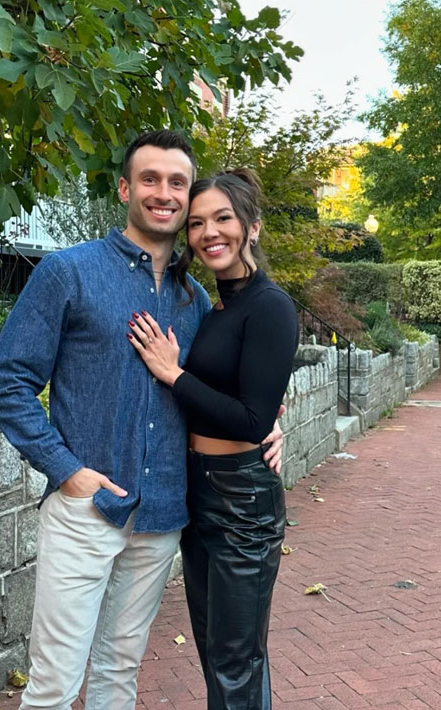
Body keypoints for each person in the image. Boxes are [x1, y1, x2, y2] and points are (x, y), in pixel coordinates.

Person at [0, 132, 283, 710]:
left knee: (118, 672)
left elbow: (234, 391)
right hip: (87, 508)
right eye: (150, 179)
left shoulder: (196, 301)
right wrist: (67, 471)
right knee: (53, 684)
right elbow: (9, 380)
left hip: (164, 514)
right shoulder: (67, 273)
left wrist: (271, 422)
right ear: (125, 188)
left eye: (177, 183)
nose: (164, 194)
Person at [127, 169, 299, 709]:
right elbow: (248, 396)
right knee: (223, 653)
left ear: (252, 226)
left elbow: (250, 419)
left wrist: (173, 374)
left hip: (242, 498)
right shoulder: (214, 305)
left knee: (233, 659)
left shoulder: (270, 305)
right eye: (197, 222)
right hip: (198, 491)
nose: (209, 232)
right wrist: (273, 414)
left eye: (222, 218)